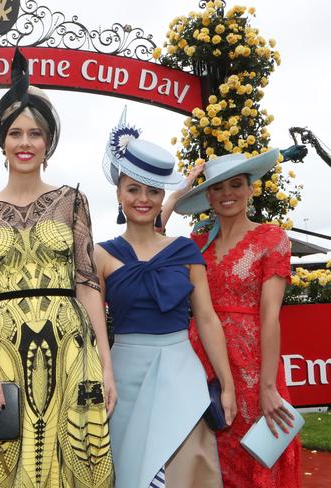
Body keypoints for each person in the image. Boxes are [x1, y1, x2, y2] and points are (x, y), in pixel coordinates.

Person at [0, 48, 115, 488]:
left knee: (74, 457)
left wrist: (105, 363)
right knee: (1, 459)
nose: (25, 143)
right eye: (16, 133)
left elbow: (87, 287)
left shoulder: (72, 202)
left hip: (70, 351)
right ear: (2, 142)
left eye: (36, 134)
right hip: (1, 350)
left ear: (48, 144)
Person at [95, 110, 236, 488]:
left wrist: (226, 383)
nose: (143, 199)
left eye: (153, 191)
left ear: (162, 197)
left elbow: (206, 319)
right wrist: (104, 374)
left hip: (181, 374)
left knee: (187, 471)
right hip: (123, 376)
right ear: (119, 193)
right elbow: (92, 328)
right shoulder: (101, 255)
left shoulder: (186, 251)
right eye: (133, 189)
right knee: (130, 472)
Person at [164, 149, 301, 487]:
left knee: (256, 454)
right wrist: (174, 197)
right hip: (202, 368)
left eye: (236, 185)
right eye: (218, 187)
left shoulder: (271, 238)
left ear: (250, 188)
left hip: (254, 369)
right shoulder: (194, 245)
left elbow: (271, 316)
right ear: (207, 195)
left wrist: (268, 387)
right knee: (210, 460)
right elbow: (147, 239)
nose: (227, 194)